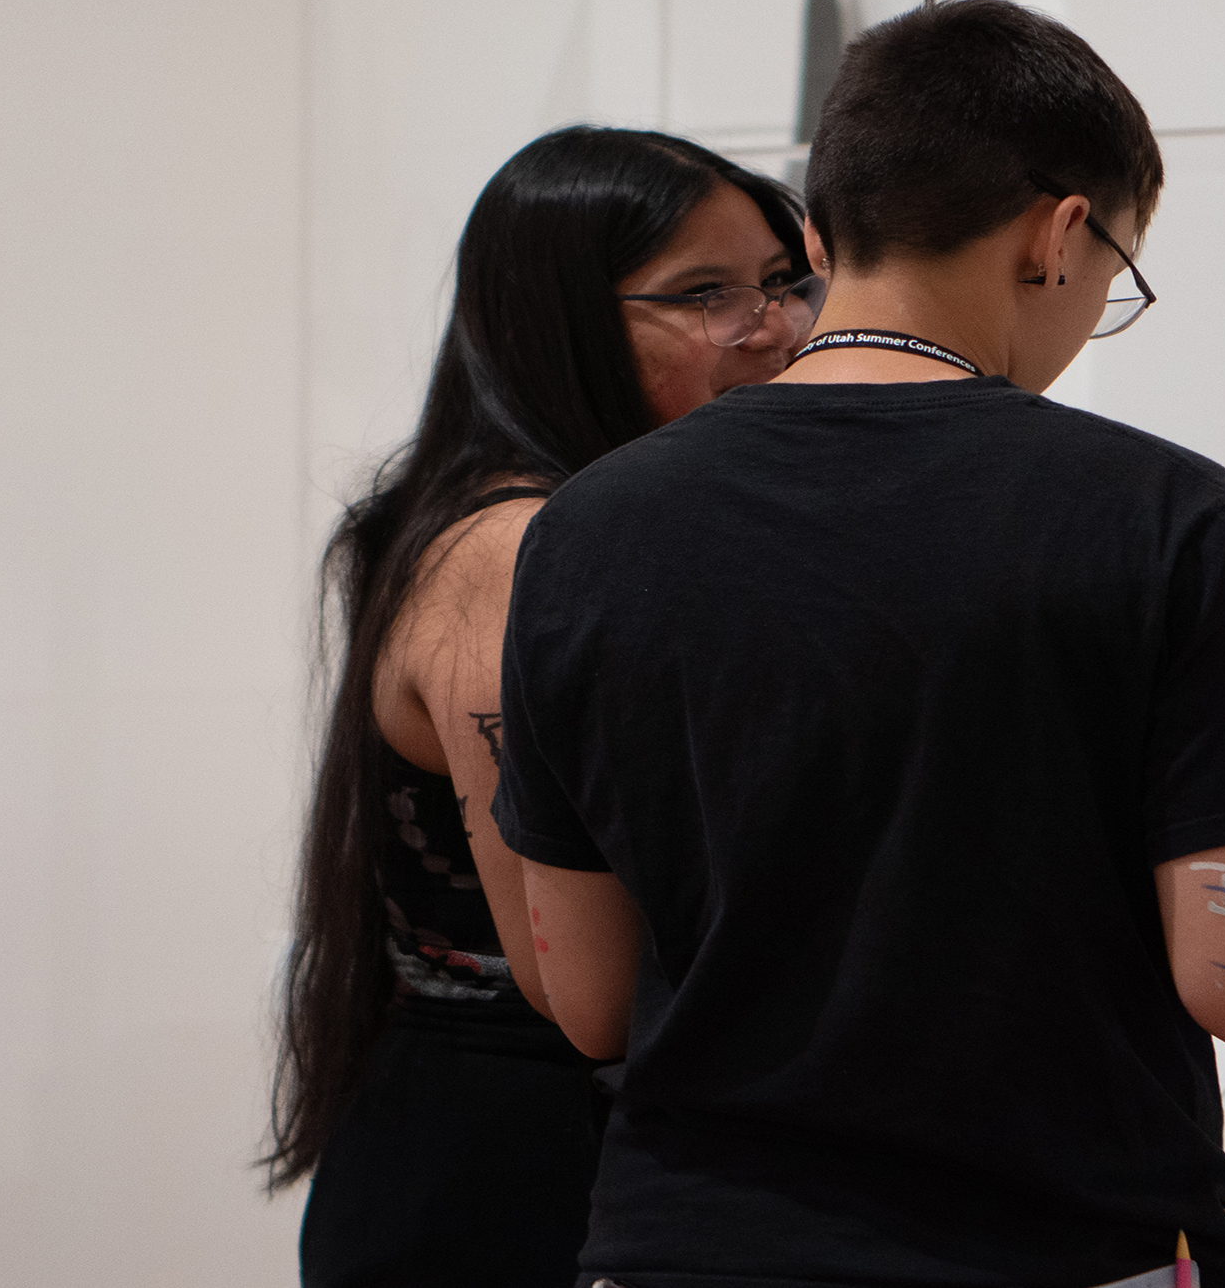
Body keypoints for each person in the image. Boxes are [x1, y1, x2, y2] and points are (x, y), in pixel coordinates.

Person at [494, 0, 1225, 1288]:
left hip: (686, 1251)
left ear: (819, 226)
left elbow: (584, 996)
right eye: (1115, 275)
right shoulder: (1171, 520)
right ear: (1058, 234)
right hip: (1052, 1248)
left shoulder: (587, 527)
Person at [266, 125, 825, 1287]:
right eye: (708, 296)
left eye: (782, 281)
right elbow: (579, 984)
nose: (774, 328)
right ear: (563, 319)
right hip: (511, 1166)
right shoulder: (516, 546)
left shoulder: (568, 522)